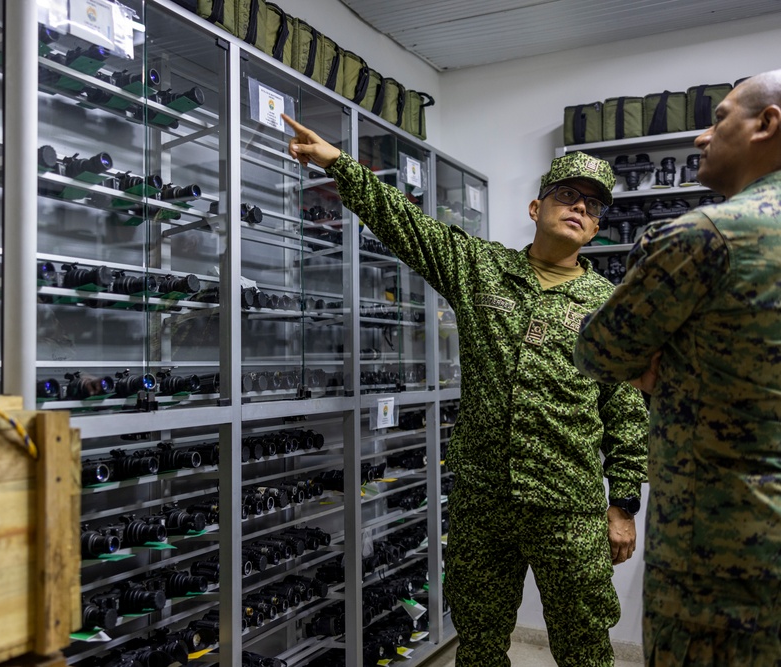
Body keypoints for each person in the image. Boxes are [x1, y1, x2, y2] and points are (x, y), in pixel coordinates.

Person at [282, 113, 648, 667]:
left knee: (585, 647)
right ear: (536, 208)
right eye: (567, 196)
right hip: (484, 500)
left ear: (595, 229)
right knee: (478, 643)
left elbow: (625, 410)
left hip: (567, 504)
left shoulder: (610, 303)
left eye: (592, 206)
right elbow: (408, 226)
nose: (579, 208)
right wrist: (340, 165)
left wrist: (622, 504)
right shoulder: (481, 268)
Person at [574, 71, 781, 665]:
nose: (700, 137)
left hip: (720, 552)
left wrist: (659, 360)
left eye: (719, 118)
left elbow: (597, 352)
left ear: (766, 125)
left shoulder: (706, 236)